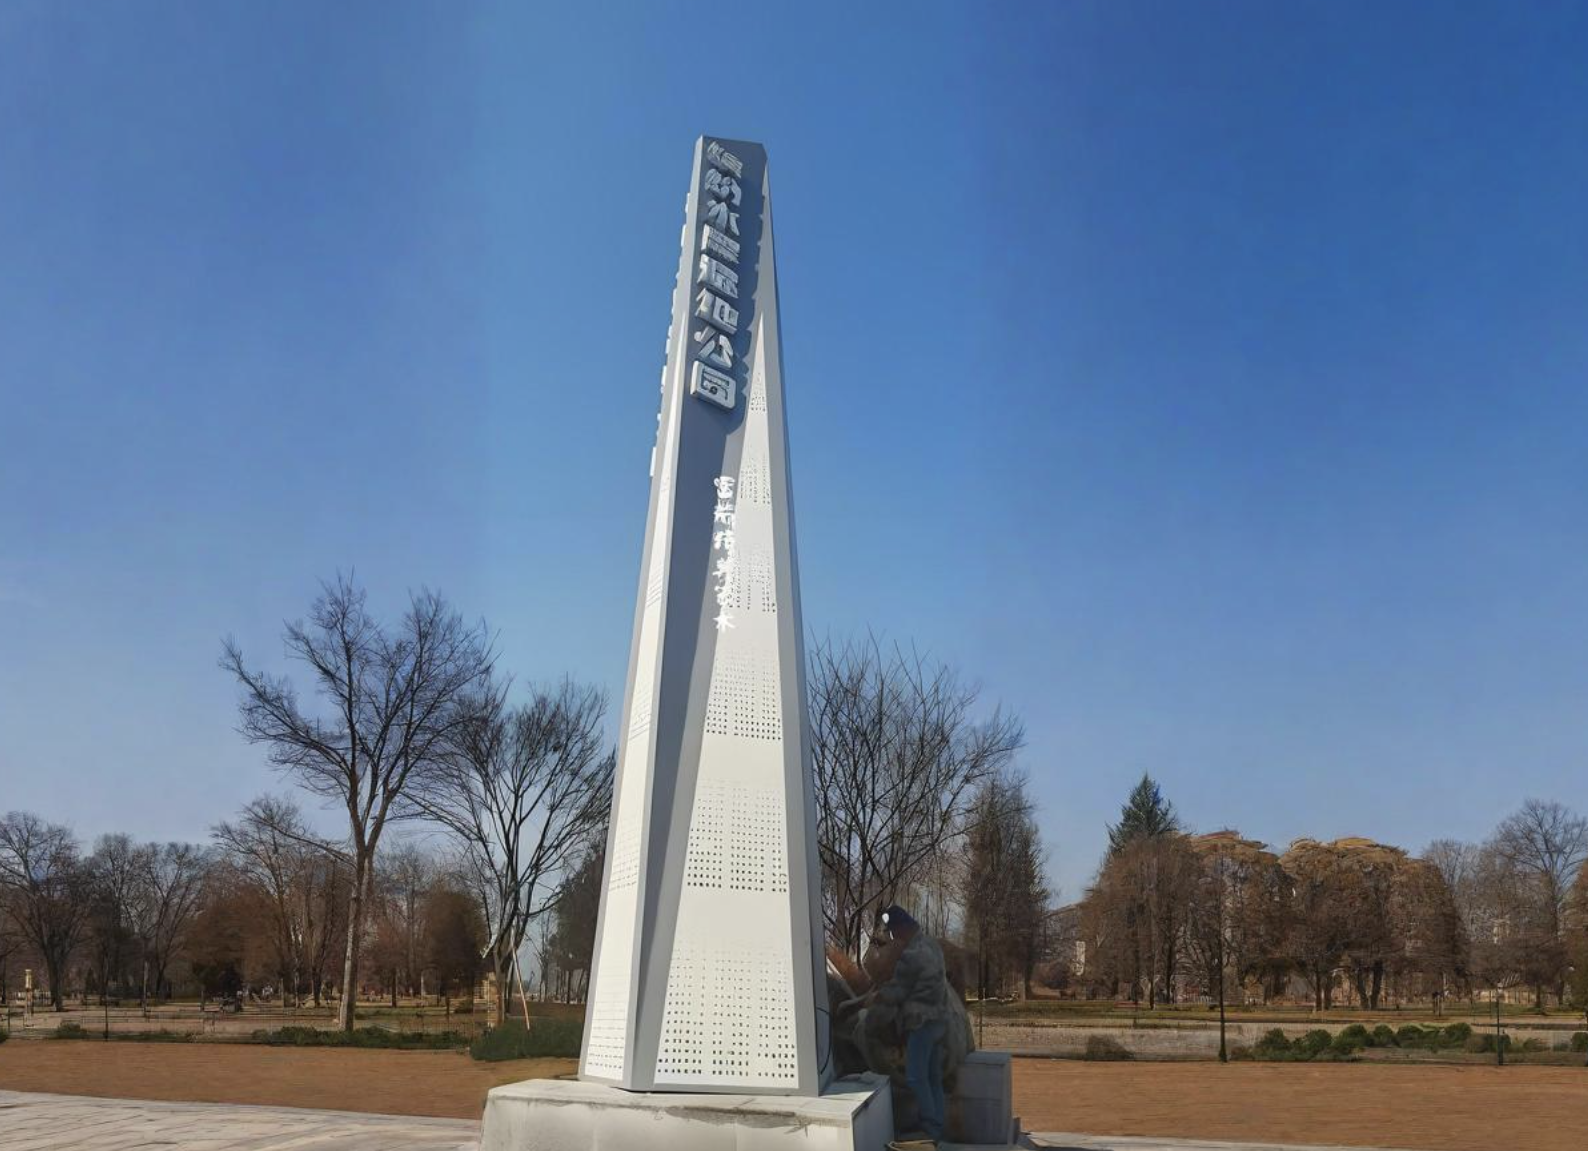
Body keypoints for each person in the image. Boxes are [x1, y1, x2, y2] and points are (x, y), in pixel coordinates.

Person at [875, 904, 948, 1150]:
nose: (894, 938)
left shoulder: (912, 954)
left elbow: (898, 990)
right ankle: (937, 1127)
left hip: (922, 1022)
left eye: (894, 932)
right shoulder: (932, 945)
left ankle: (929, 1130)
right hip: (939, 1020)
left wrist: (878, 998)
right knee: (933, 1077)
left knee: (916, 1077)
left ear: (902, 927)